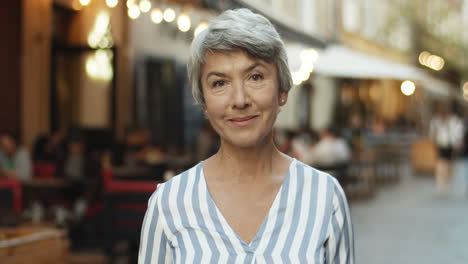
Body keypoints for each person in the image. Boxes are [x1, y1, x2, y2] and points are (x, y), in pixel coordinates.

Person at [139, 9, 354, 264]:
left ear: (282, 90)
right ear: (204, 103)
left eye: (255, 77)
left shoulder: (324, 197)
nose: (239, 100)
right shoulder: (170, 203)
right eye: (220, 83)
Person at [429, 102, 465, 193]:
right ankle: (441, 183)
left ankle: (447, 180)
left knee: (449, 163)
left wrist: (458, 143)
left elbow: (458, 132)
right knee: (441, 163)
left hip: (451, 145)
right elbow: (432, 133)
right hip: (441, 144)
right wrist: (433, 142)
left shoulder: (455, 121)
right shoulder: (436, 121)